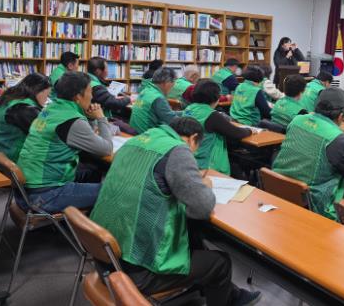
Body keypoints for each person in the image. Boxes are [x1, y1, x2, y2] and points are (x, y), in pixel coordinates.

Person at [90, 116, 261, 306]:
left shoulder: (138, 141)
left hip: (106, 257)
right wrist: (205, 185)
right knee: (220, 262)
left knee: (191, 234)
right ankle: (226, 295)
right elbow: (203, 207)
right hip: (136, 271)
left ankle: (227, 291)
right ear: (193, 138)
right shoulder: (177, 150)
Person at [16, 72, 113, 213]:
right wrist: (101, 118)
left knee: (92, 170)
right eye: (90, 91)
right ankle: (84, 224)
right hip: (45, 194)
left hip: (27, 188)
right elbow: (106, 149)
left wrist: (90, 118)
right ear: (78, 96)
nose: (92, 96)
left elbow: (84, 137)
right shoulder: (72, 120)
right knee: (113, 191)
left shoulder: (50, 109)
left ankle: (80, 218)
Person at [273, 88, 344, 220]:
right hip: (314, 207)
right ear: (341, 116)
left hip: (280, 193)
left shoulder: (296, 120)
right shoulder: (337, 139)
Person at [184, 79, 252, 174]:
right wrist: (250, 130)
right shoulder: (212, 115)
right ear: (216, 98)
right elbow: (237, 133)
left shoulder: (189, 109)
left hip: (190, 159)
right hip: (208, 165)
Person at [0, 73, 51, 161]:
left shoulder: (10, 94)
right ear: (39, 91)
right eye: (47, 95)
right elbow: (45, 133)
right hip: (4, 156)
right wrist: (47, 112)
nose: (47, 99)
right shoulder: (24, 109)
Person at [130, 67, 182, 134]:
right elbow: (172, 120)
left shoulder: (146, 91)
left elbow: (167, 113)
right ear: (167, 82)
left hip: (135, 132)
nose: (173, 87)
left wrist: (184, 113)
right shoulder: (158, 98)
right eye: (173, 83)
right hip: (146, 135)